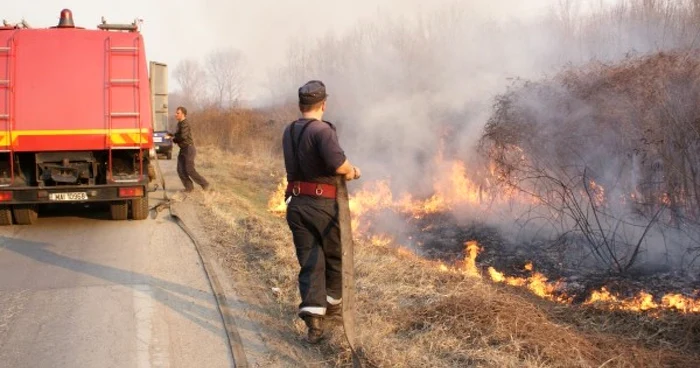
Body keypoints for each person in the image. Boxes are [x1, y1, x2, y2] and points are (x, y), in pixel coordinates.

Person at [282, 80, 362, 344]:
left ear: (300, 105)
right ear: (324, 104)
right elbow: (338, 165)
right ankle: (334, 308)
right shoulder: (322, 131)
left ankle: (315, 324)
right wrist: (353, 171)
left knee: (310, 261)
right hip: (322, 206)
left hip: (296, 205)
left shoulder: (289, 130)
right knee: (335, 257)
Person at [165, 106, 210, 192]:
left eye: (178, 113)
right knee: (180, 170)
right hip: (183, 149)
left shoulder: (185, 123)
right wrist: (170, 135)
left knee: (190, 170)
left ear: (183, 114)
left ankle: (205, 184)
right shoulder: (180, 123)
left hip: (189, 149)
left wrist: (172, 139)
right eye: (176, 113)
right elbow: (178, 134)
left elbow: (182, 136)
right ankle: (189, 188)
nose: (175, 114)